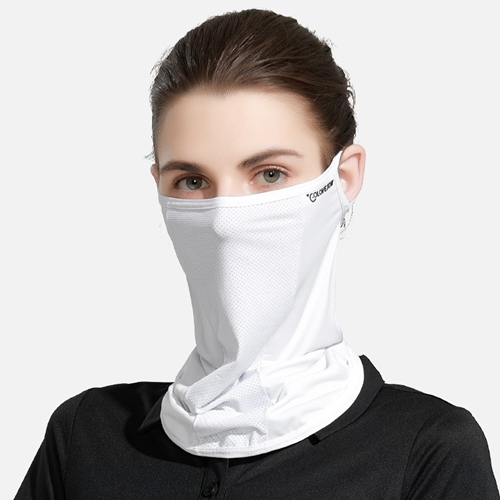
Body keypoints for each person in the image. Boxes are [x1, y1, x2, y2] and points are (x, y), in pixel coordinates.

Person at [14, 8, 499, 499]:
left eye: (269, 174)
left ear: (343, 178)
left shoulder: (426, 452)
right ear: (159, 184)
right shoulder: (84, 438)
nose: (223, 221)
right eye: (192, 181)